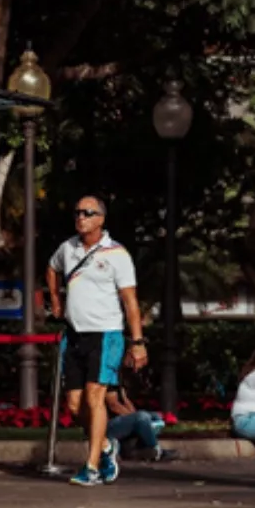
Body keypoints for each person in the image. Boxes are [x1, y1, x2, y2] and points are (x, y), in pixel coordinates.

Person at [45, 196, 148, 488]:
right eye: (77, 212)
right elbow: (52, 268)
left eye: (88, 213)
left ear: (101, 219)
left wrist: (137, 341)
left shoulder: (117, 254)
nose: (81, 217)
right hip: (74, 334)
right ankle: (104, 446)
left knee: (95, 398)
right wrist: (55, 299)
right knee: (74, 405)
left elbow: (130, 301)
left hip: (105, 335)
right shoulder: (68, 248)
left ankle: (90, 468)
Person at [105, 383, 174, 462]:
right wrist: (135, 417)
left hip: (122, 422)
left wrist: (134, 414)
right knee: (142, 417)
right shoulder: (108, 382)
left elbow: (127, 403)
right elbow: (113, 405)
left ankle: (140, 449)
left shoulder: (119, 384)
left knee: (156, 417)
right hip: (108, 426)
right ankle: (156, 451)